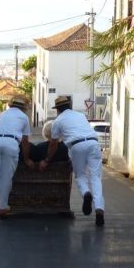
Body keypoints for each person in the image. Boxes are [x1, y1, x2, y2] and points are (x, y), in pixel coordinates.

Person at [42, 96, 105, 226]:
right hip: (93, 143)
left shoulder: (58, 121)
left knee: (81, 175)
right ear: (69, 106)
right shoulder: (80, 115)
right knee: (95, 177)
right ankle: (99, 209)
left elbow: (53, 144)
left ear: (57, 109)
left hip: (77, 146)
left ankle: (86, 193)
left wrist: (47, 160)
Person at [0, 96, 30, 222]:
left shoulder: (3, 114)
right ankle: (2, 207)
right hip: (11, 143)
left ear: (11, 105)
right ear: (23, 108)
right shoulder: (24, 117)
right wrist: (26, 159)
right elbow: (25, 141)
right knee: (6, 177)